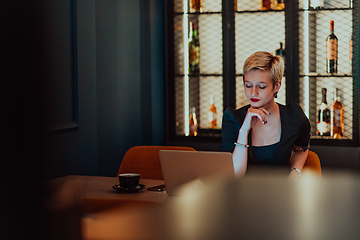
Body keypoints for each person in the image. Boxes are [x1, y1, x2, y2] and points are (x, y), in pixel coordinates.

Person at [221, 51, 310, 178]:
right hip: (243, 194)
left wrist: (295, 171)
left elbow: (301, 148)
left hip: (282, 193)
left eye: (261, 86)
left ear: (277, 86)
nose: (253, 93)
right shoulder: (232, 118)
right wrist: (244, 130)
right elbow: (235, 174)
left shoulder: (294, 117)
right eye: (248, 85)